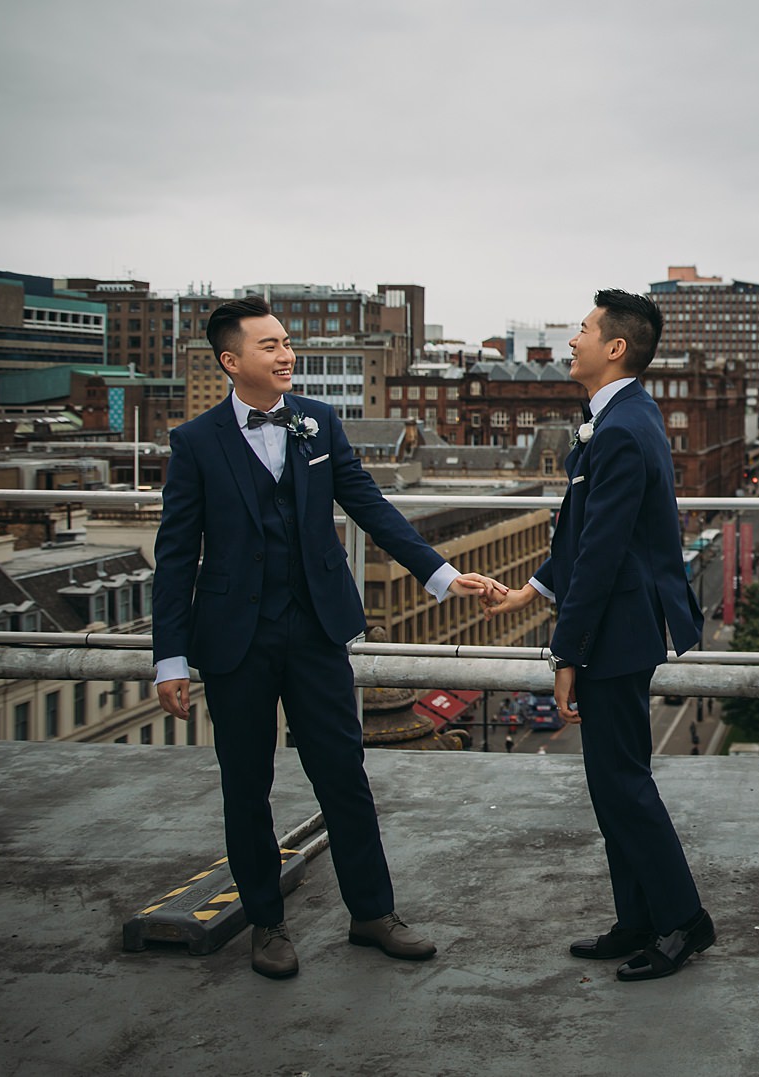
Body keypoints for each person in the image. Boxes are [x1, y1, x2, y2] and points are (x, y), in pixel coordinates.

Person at [152, 295, 496, 980]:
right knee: (246, 784)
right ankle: (266, 925)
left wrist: (440, 572)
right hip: (234, 641)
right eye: (270, 345)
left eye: (288, 343)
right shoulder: (195, 442)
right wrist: (170, 658)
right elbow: (174, 554)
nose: (287, 354)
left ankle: (373, 912)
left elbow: (369, 504)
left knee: (344, 774)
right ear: (231, 361)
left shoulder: (319, 421)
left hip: (316, 630)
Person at [480, 289, 714, 982]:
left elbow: (604, 553)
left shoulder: (617, 428)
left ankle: (683, 921)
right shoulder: (619, 418)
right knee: (612, 784)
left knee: (624, 784)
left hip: (619, 627)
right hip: (618, 622)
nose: (572, 339)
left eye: (582, 329)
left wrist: (565, 652)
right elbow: (581, 531)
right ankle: (638, 917)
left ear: (615, 347)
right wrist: (533, 587)